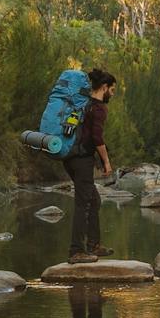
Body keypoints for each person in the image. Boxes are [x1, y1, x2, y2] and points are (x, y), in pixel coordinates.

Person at [65, 68, 117, 263]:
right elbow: (97, 137)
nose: (112, 94)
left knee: (93, 200)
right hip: (82, 159)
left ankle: (93, 245)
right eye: (111, 90)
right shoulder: (99, 108)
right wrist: (106, 162)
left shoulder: (83, 103)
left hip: (70, 158)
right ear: (104, 87)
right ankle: (76, 251)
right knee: (83, 203)